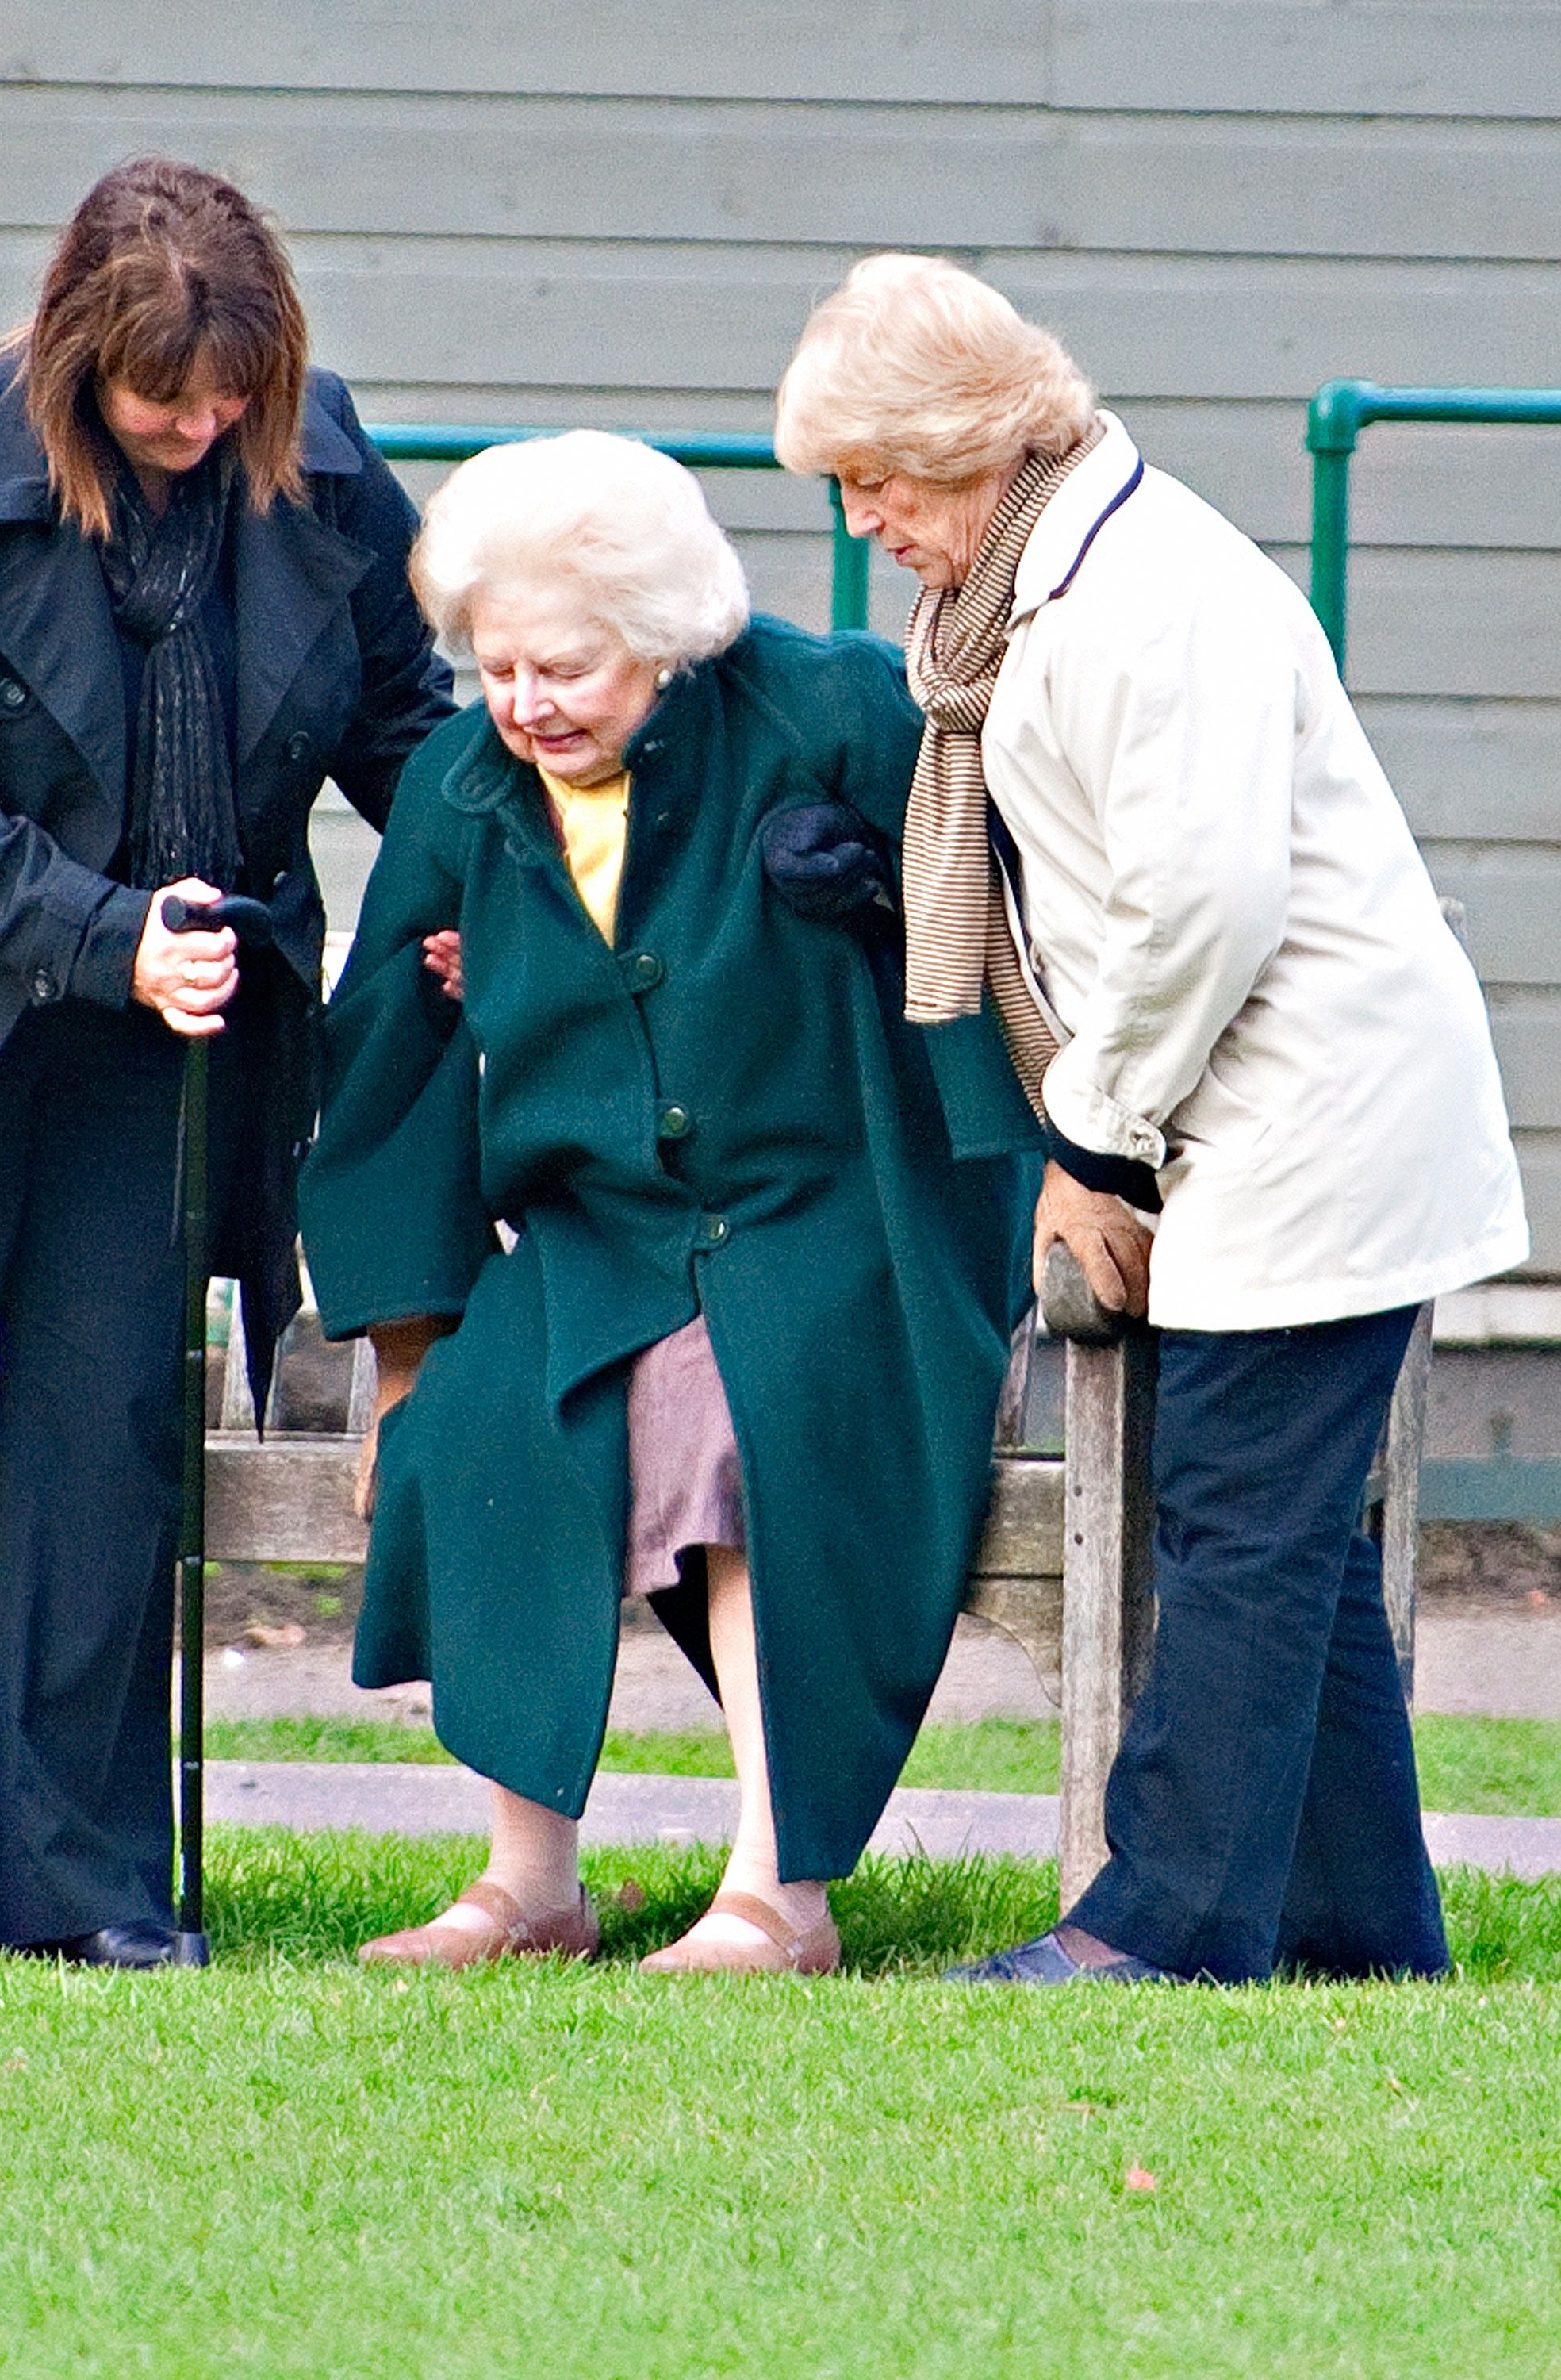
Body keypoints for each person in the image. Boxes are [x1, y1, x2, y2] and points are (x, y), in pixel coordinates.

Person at [0, 159, 452, 1967]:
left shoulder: (316, 458)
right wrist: (93, 933)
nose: (202, 427)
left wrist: (478, 886)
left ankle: (94, 1899)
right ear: (72, 364)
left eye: (232, 394)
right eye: (163, 399)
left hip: (166, 1028)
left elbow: (398, 723)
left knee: (108, 1445)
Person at [774, 253, 1528, 1987]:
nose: (862, 520)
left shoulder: (1138, 597)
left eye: (872, 480)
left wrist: (1096, 1147)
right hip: (1261, 1114)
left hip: (1304, 1122)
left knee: (1237, 1523)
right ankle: (1356, 1929)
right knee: (1288, 1537)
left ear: (965, 446)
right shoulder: (1047, 587)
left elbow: (1194, 911)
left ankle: (1165, 1922)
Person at [297, 431, 1038, 1974]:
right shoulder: (462, 782)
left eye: (562, 669)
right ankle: (527, 1887)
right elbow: (390, 1058)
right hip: (601, 1229)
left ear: (662, 638)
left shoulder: (830, 711)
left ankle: (780, 1889)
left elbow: (1021, 918)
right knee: (489, 1413)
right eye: (495, 670)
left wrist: (883, 893)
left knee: (724, 1420)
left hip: (831, 1209)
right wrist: (409, 1344)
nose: (523, 708)